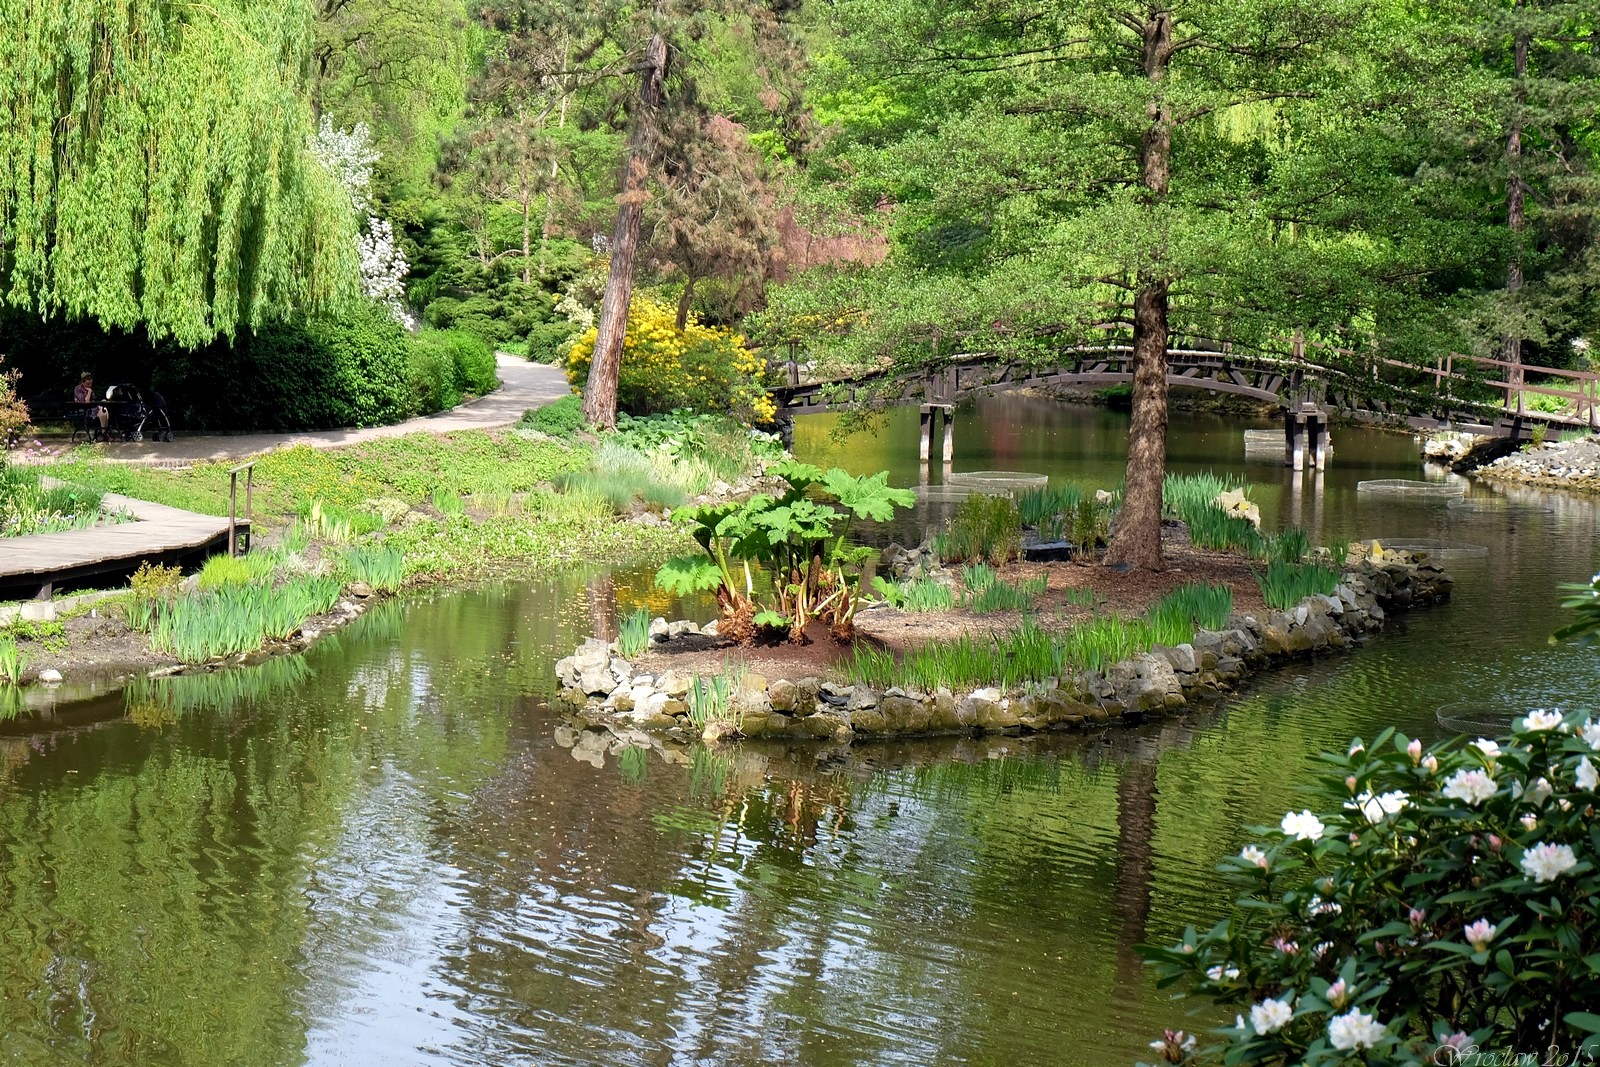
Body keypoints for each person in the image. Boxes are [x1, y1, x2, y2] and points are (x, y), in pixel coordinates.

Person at [74, 371, 109, 439]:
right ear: (83, 381)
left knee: (105, 410)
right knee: (103, 412)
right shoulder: (78, 389)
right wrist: (89, 391)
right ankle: (104, 433)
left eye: (91, 380)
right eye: (88, 381)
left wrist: (101, 402)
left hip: (92, 408)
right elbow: (85, 402)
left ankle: (104, 431)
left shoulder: (90, 387)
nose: (90, 383)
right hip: (83, 410)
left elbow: (93, 400)